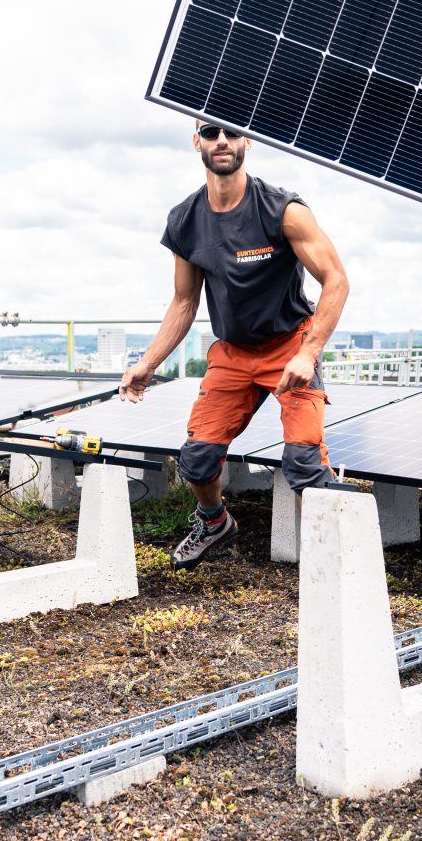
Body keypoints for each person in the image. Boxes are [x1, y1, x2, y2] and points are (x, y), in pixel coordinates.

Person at [119, 120, 350, 565]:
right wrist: (148, 362)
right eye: (210, 133)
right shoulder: (185, 220)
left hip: (290, 345)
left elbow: (335, 280)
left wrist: (309, 352)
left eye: (230, 132)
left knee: (303, 462)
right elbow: (185, 301)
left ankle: (331, 564)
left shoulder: (283, 209)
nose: (220, 140)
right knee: (197, 458)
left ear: (248, 141)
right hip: (233, 351)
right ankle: (213, 521)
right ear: (196, 143)